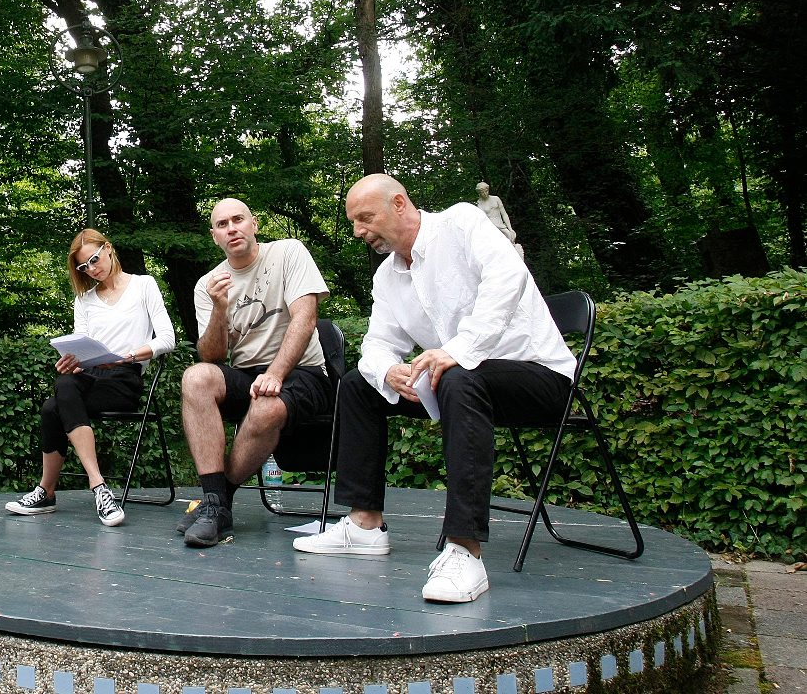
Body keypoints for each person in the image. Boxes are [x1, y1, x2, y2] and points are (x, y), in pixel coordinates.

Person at [294, 174, 575, 604]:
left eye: (366, 218)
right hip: (461, 383)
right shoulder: (388, 276)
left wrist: (459, 350)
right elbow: (377, 342)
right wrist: (389, 370)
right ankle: (364, 525)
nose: (358, 232)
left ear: (400, 204)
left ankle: (464, 550)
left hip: (539, 376)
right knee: (357, 385)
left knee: (460, 375)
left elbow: (508, 276)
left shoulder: (460, 223)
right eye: (354, 222)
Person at [176, 198, 332, 547]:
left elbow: (306, 320)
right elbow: (212, 355)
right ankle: (216, 505)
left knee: (266, 405)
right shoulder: (208, 284)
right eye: (222, 224)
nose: (232, 228)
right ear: (214, 236)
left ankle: (215, 502)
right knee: (195, 377)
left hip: (304, 371)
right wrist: (219, 308)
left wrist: (276, 373)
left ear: (254, 223)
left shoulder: (288, 253)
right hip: (246, 374)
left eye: (238, 219)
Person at [5, 228, 176, 527]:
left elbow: (167, 339)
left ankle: (47, 491)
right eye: (84, 266)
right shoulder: (84, 300)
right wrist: (72, 360)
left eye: (94, 260)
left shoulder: (144, 286)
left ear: (108, 249)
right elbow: (82, 345)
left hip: (125, 376)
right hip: (90, 375)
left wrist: (131, 355)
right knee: (64, 383)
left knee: (52, 407)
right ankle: (98, 485)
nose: (92, 269)